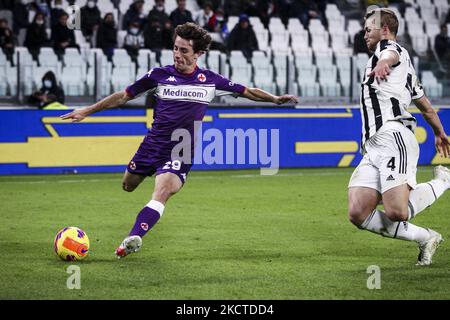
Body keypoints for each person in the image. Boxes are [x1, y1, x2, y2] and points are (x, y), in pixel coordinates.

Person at [61, 22, 298, 259]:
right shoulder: (159, 75)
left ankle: (133, 238)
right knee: (128, 185)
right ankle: (139, 211)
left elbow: (249, 91)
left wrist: (275, 99)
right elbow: (123, 96)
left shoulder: (210, 80)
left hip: (181, 150)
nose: (177, 54)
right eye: (175, 48)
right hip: (152, 145)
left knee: (162, 191)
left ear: (198, 53)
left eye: (184, 50)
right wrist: (86, 111)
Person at [348, 8, 450, 266]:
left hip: (394, 136)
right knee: (358, 212)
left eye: (368, 29)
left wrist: (383, 62)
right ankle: (427, 237)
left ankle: (444, 181)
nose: (364, 34)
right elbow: (425, 105)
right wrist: (440, 131)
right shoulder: (405, 72)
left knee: (397, 212)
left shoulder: (393, 51)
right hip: (373, 146)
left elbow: (390, 54)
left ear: (384, 30)